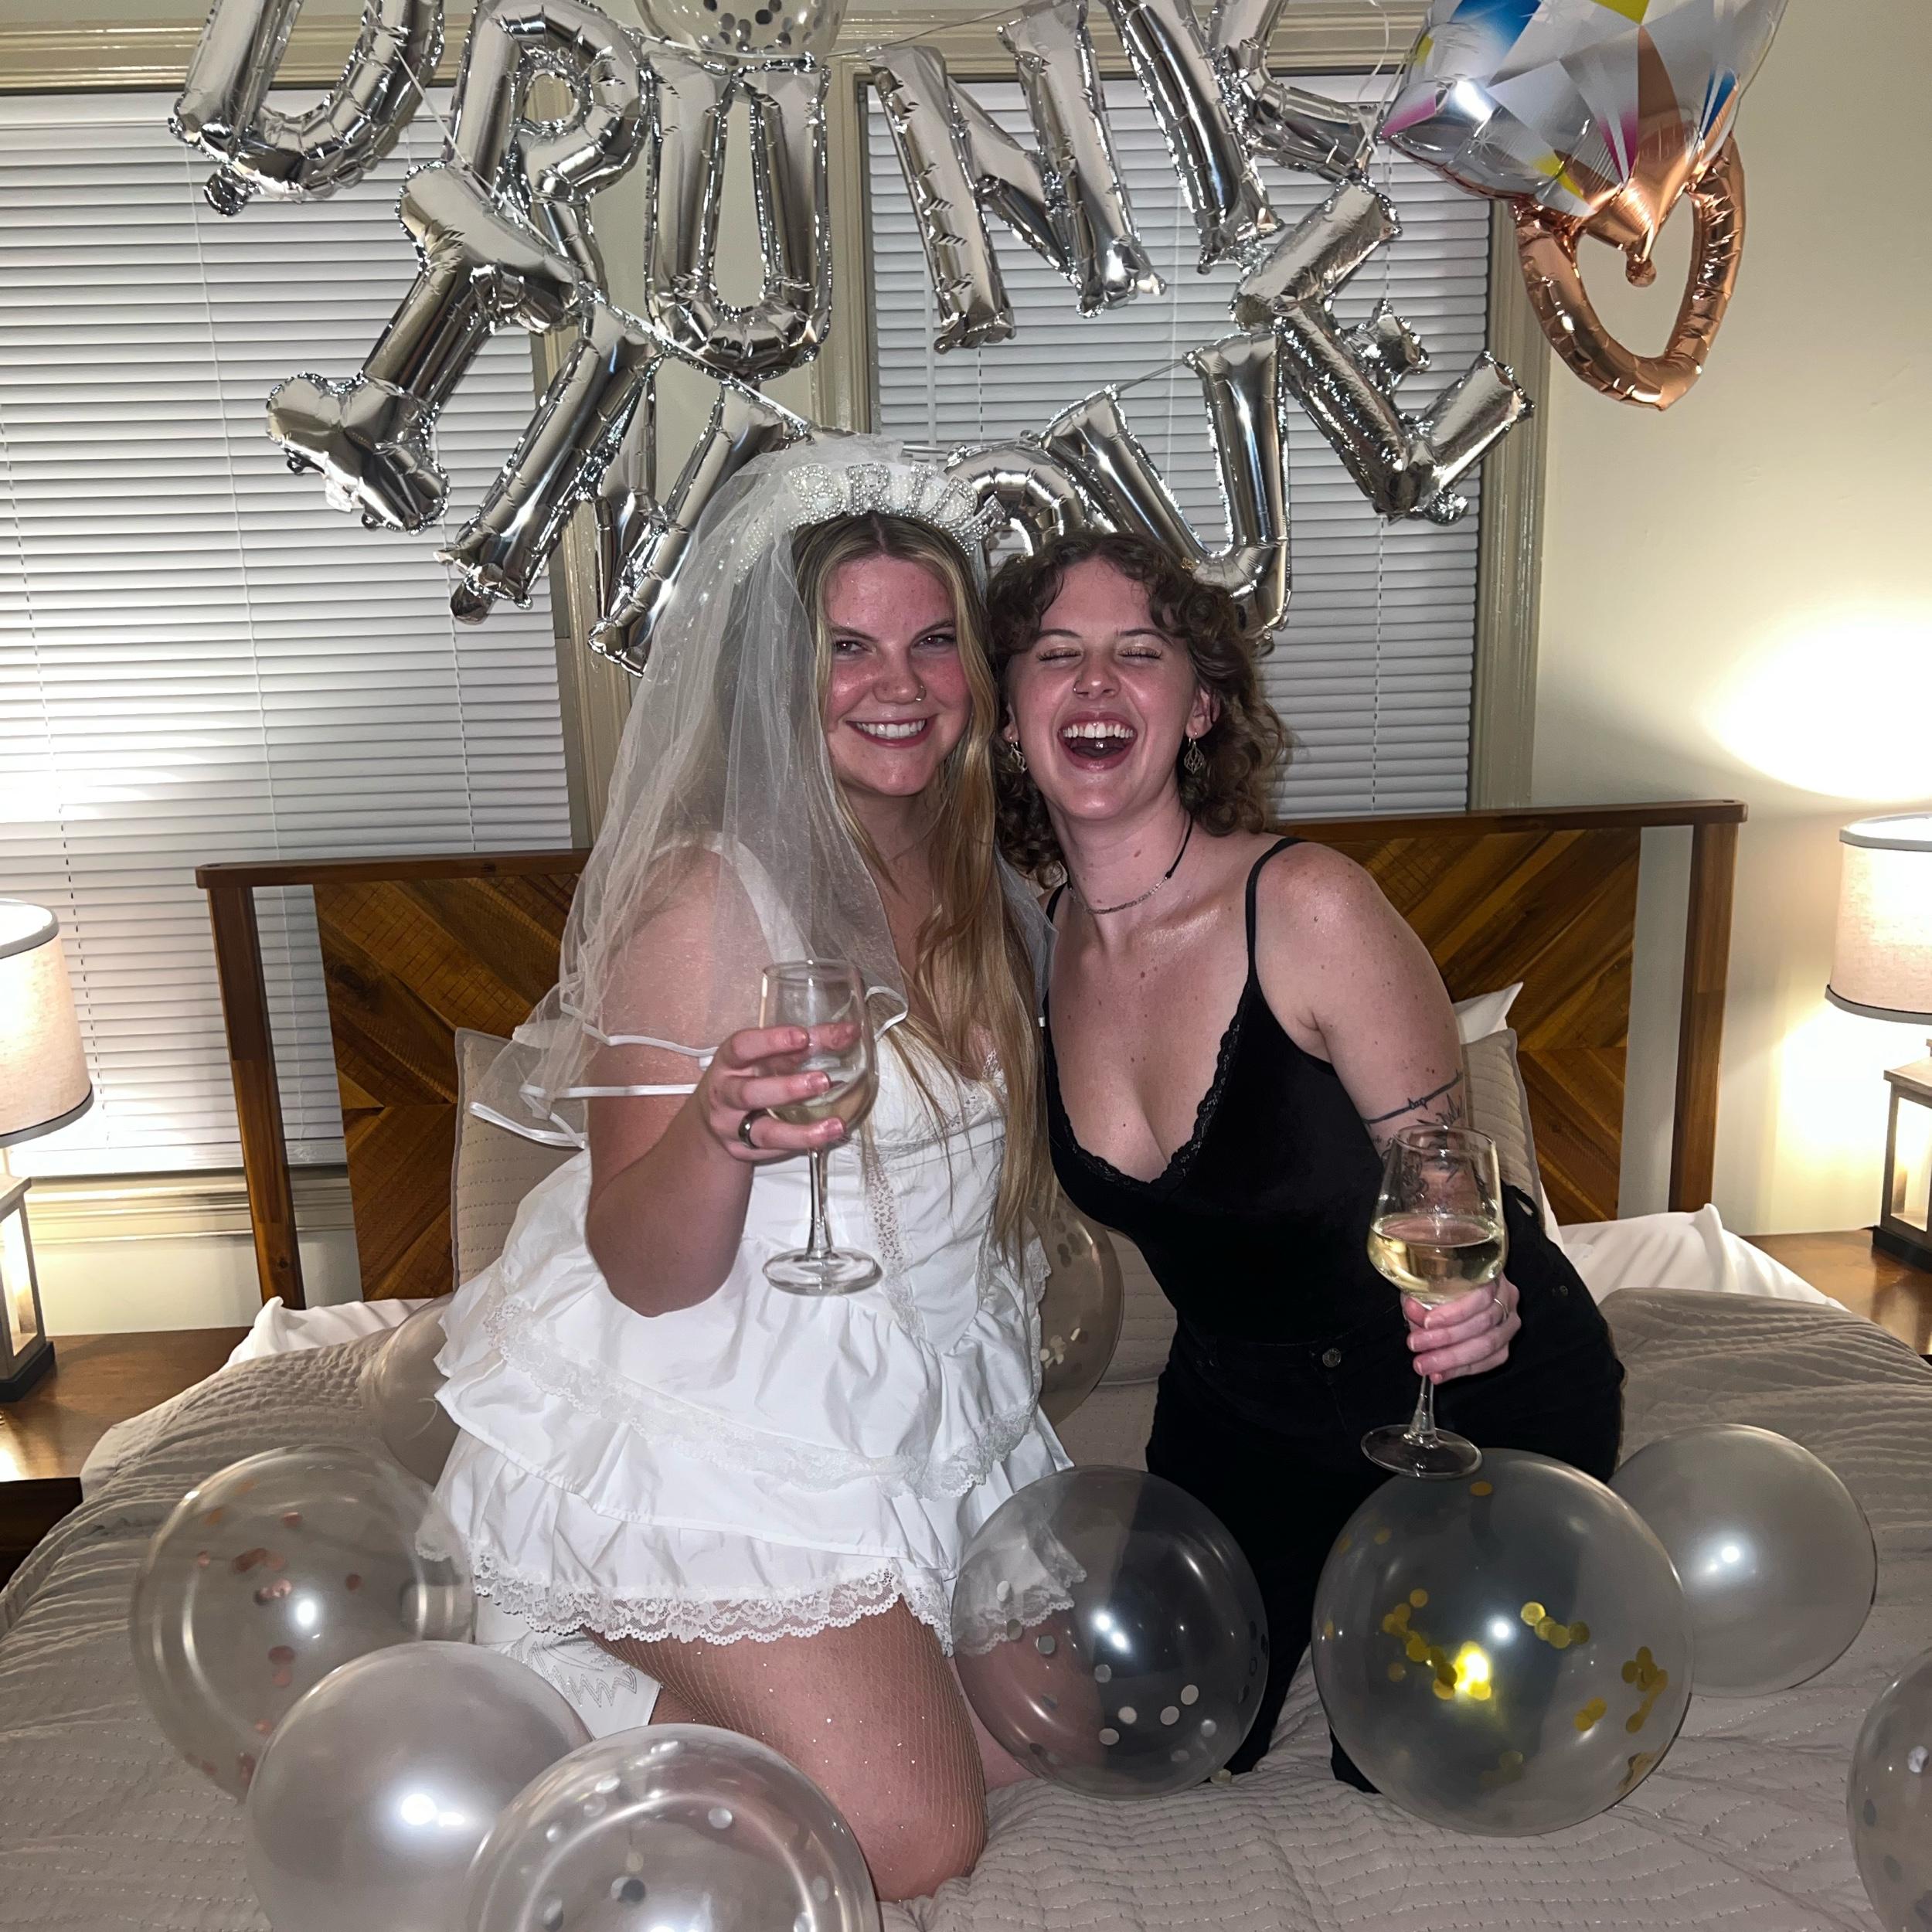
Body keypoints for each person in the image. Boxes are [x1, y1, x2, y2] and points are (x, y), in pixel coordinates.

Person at [433, 444, 1059, 1900]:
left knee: (1045, 1729)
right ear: (780, 676)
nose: (897, 685)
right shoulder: (709, 901)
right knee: (915, 1836)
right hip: (720, 1407)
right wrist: (715, 1133)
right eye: (847, 648)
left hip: (920, 1397)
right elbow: (644, 1272)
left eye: (933, 643)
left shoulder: (979, 881)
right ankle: (550, 1686)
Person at [987, 529, 1624, 1781]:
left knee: (1409, 1759)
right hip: (1236, 1416)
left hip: (1459, 1401)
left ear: (1201, 707)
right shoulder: (1031, 950)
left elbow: (1444, 1174)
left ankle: (1552, 1542)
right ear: (1011, 720)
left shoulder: (1308, 904)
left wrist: (1482, 1299)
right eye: (1056, 655)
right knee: (1163, 1738)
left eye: (1141, 652)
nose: (1097, 683)